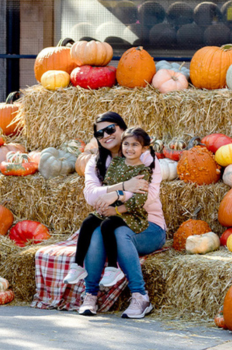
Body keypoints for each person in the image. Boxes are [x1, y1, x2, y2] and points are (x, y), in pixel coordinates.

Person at [78, 111, 166, 319]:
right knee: (98, 231)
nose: (106, 135)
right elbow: (91, 196)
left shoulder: (145, 158)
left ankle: (140, 296)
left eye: (110, 129)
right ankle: (90, 294)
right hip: (115, 221)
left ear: (122, 129)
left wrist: (116, 195)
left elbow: (149, 197)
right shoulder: (95, 162)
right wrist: (124, 187)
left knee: (118, 233)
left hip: (148, 226)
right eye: (100, 133)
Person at [64, 127, 155, 288]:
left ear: (144, 148)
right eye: (126, 144)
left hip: (130, 213)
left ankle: (113, 267)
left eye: (135, 145)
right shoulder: (117, 163)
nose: (130, 148)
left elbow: (139, 200)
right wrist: (104, 205)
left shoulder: (143, 171)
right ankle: (77, 265)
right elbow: (108, 185)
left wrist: (116, 209)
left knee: (107, 225)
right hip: (110, 208)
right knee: (88, 222)